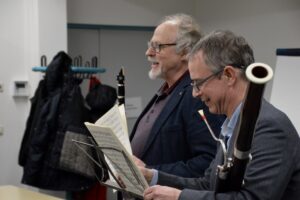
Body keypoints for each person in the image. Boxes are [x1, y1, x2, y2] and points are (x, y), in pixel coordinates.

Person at [137, 30, 300, 200]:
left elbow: (252, 198)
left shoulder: (270, 127)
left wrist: (179, 197)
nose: (195, 93)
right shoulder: (231, 124)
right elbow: (208, 185)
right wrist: (153, 176)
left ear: (229, 75)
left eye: (198, 83)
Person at [130, 13, 225, 180]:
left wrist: (151, 173)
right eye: (150, 45)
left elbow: (208, 162)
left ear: (185, 51)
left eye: (157, 46)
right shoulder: (167, 90)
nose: (148, 52)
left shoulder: (198, 95)